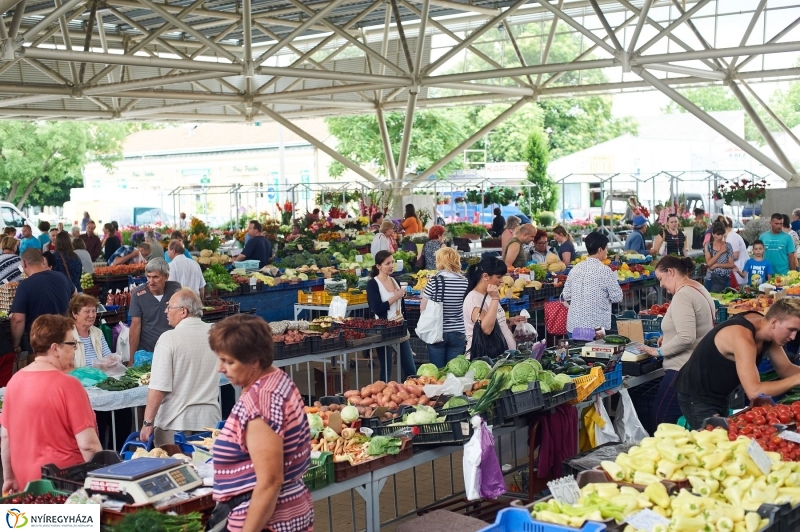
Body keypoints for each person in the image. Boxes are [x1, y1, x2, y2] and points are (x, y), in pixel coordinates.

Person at [209, 314, 313, 532]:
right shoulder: (277, 379)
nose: (221, 368)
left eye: (229, 362)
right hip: (288, 509)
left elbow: (270, 482)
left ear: (255, 361)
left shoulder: (260, 404)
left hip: (266, 520)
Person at [0, 315, 101, 492]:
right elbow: (88, 445)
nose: (75, 349)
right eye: (71, 344)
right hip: (67, 483)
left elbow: (6, 437)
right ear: (55, 349)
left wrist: (9, 478)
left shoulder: (14, 382)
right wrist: (104, 482)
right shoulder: (69, 385)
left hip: (27, 482)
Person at [675, 298, 800, 430]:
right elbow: (754, 392)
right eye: (791, 330)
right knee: (716, 442)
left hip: (721, 395)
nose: (793, 337)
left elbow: (785, 368)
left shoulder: (766, 328)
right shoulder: (743, 337)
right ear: (774, 322)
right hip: (697, 397)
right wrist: (796, 380)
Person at [638, 256, 715, 433]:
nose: (661, 285)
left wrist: (658, 351)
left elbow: (687, 337)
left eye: (661, 279)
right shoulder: (698, 288)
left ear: (671, 272)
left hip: (682, 369)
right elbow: (698, 325)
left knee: (661, 421)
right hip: (698, 366)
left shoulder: (683, 295)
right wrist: (669, 337)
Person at [139, 289, 221, 446]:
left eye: (169, 307)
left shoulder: (169, 339)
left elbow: (158, 387)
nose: (166, 311)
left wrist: (147, 423)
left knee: (177, 469)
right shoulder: (215, 333)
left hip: (176, 424)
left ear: (183, 311)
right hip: (210, 422)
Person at [10, 249, 76, 355]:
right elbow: (76, 296)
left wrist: (15, 345)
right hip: (64, 338)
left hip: (39, 343)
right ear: (43, 260)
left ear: (24, 263)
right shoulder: (61, 277)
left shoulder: (25, 285)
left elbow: (17, 319)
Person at [366, 251, 416, 382]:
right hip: (383, 329)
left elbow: (401, 306)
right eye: (387, 263)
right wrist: (396, 296)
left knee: (410, 367)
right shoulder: (373, 284)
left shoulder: (395, 280)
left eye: (392, 262)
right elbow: (377, 308)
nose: (391, 265)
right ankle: (384, 395)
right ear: (378, 266)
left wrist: (401, 297)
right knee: (386, 368)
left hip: (400, 327)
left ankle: (411, 391)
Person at [563, 232, 623, 335]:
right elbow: (617, 297)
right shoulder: (605, 271)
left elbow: (566, 295)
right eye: (606, 249)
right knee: (595, 351)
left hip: (574, 327)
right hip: (596, 330)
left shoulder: (575, 269)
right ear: (600, 250)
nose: (607, 252)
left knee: (578, 351)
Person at [463, 255, 526, 355]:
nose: (501, 281)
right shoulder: (474, 299)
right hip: (486, 359)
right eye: (498, 277)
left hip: (500, 357)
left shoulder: (489, 294)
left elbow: (492, 320)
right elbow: (486, 329)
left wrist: (509, 321)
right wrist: (495, 298)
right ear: (485, 276)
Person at [421, 247, 469, 368]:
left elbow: (423, 309)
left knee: (438, 371)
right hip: (459, 332)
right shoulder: (465, 282)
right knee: (454, 371)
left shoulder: (434, 282)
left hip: (437, 332)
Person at [129, 258, 182, 355]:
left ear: (166, 277)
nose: (151, 281)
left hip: (173, 348)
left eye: (155, 277)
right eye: (148, 277)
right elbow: (135, 326)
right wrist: (132, 358)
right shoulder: (138, 294)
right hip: (148, 351)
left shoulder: (175, 289)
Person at [704, 222, 735, 293]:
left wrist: (716, 265)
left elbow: (731, 264)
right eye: (718, 234)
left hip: (726, 278)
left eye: (722, 234)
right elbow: (709, 263)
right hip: (711, 279)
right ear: (713, 234)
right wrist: (720, 251)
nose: (720, 237)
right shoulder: (708, 246)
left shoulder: (728, 245)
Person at [720, 217, 748, 286]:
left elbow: (735, 256)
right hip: (735, 271)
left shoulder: (732, 237)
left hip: (739, 270)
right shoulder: (727, 236)